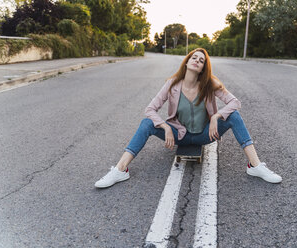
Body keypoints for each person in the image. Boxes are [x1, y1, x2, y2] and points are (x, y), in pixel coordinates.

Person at [95, 48, 282, 188]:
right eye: (194, 57)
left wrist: (216, 116)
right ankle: (120, 170)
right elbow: (150, 109)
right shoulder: (172, 84)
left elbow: (235, 102)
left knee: (234, 116)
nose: (197, 61)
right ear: (186, 62)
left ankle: (255, 165)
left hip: (204, 135)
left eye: (201, 61)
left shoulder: (209, 85)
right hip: (179, 134)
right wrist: (166, 127)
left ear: (202, 68)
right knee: (146, 124)